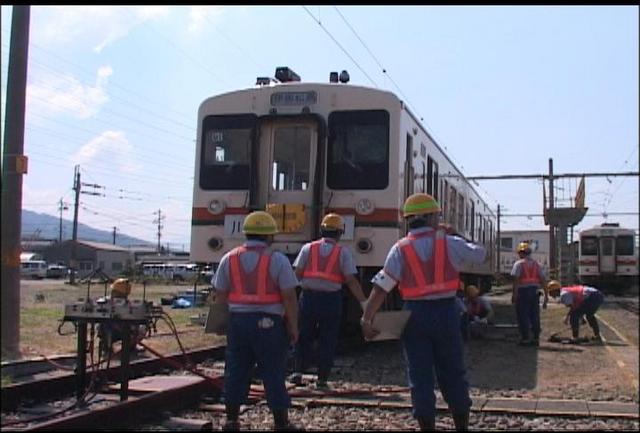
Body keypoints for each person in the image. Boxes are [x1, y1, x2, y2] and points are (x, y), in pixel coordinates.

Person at [360, 193, 486, 431]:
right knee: (453, 371)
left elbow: (382, 287)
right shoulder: (449, 242)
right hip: (447, 313)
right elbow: (480, 253)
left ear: (408, 220)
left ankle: (426, 426)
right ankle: (462, 425)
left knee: (419, 375)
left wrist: (367, 317)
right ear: (431, 217)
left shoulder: (400, 249)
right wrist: (455, 232)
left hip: (414, 316)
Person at [211, 211, 303, 431]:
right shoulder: (277, 259)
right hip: (269, 324)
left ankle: (232, 420)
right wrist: (293, 326)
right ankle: (281, 422)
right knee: (273, 370)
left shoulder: (229, 258)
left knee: (236, 369)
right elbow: (289, 296)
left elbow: (220, 294)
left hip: (238, 322)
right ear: (269, 236)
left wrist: (220, 321)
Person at [291, 213, 368, 388]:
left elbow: (296, 274)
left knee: (304, 335)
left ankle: (297, 372)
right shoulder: (343, 253)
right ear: (340, 233)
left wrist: (288, 299)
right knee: (328, 338)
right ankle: (322, 378)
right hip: (331, 301)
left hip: (308, 297)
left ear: (322, 230)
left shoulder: (308, 248)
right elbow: (351, 281)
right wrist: (364, 303)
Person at [510, 242, 547, 346]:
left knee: (523, 315)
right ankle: (535, 338)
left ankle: (525, 338)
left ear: (521, 253)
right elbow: (543, 280)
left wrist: (514, 295)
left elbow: (516, 281)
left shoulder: (518, 264)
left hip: (523, 293)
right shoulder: (537, 264)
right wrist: (546, 296)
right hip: (535, 292)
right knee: (534, 315)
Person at [97, 278, 146, 357]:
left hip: (124, 330)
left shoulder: (128, 304)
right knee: (104, 324)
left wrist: (133, 329)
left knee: (141, 328)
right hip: (110, 330)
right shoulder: (105, 301)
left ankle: (130, 347)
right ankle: (107, 348)